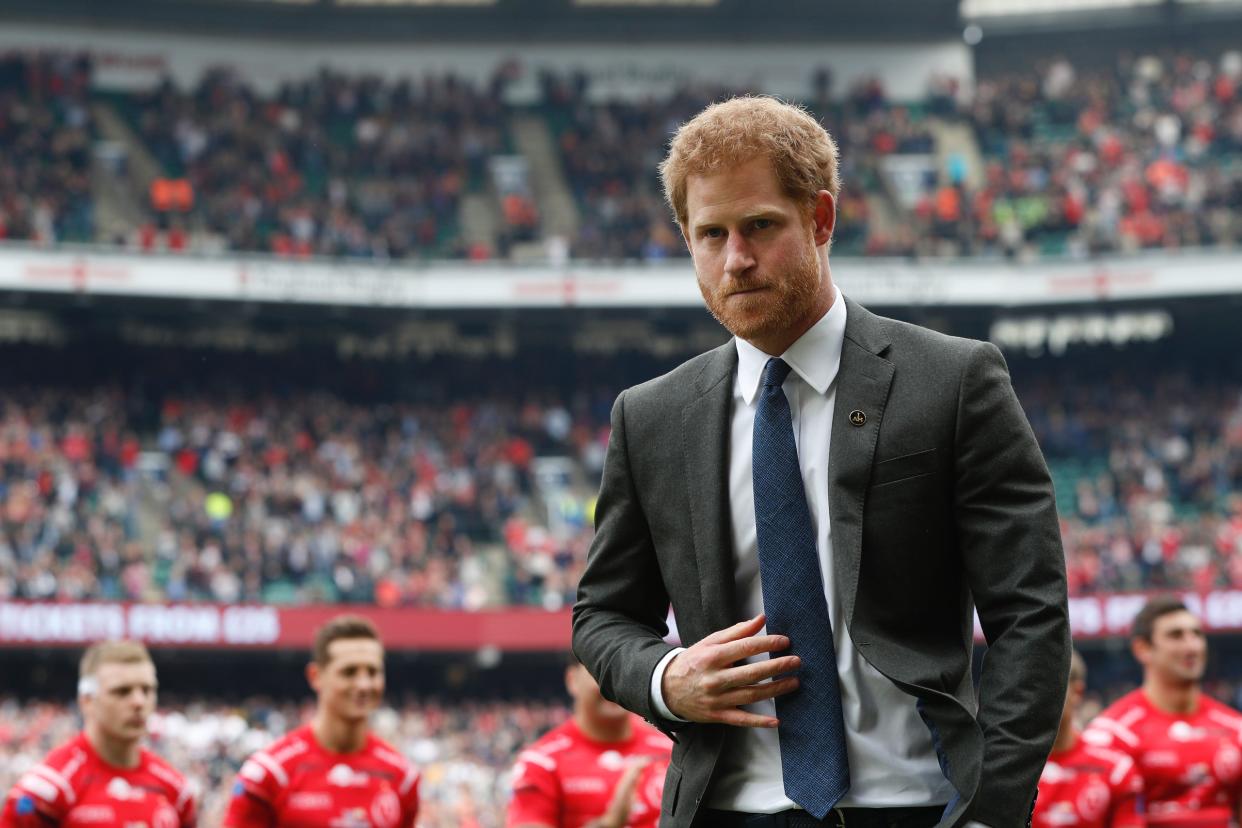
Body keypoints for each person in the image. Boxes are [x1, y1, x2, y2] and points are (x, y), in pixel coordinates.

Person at [571, 95, 1070, 828]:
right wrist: (666, 677)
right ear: (686, 239)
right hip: (725, 807)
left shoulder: (954, 382)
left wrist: (993, 810)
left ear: (821, 218)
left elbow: (1030, 611)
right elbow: (604, 614)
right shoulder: (649, 417)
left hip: (916, 804)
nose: (735, 259)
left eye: (760, 227)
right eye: (711, 235)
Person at [223, 615, 419, 827]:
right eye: (349, 672)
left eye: (373, 672)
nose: (364, 684)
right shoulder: (269, 773)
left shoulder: (402, 776)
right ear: (315, 676)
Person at [0, 640, 198, 828]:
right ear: (87, 700)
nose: (139, 702)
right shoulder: (47, 790)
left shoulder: (177, 790)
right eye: (122, 691)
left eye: (147, 690)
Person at [1082, 596, 1242, 826]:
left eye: (1196, 634)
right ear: (1142, 649)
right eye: (1176, 635)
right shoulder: (1112, 735)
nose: (1192, 646)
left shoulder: (1235, 729)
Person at [507, 657, 673, 828]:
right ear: (572, 680)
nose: (615, 683)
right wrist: (608, 824)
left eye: (623, 671)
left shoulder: (671, 752)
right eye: (601, 671)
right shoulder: (541, 763)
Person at [1033, 651, 1143, 827]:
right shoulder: (1001, 770)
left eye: (1048, 683)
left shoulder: (1116, 770)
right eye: (1028, 687)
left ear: (1077, 692)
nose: (1035, 697)